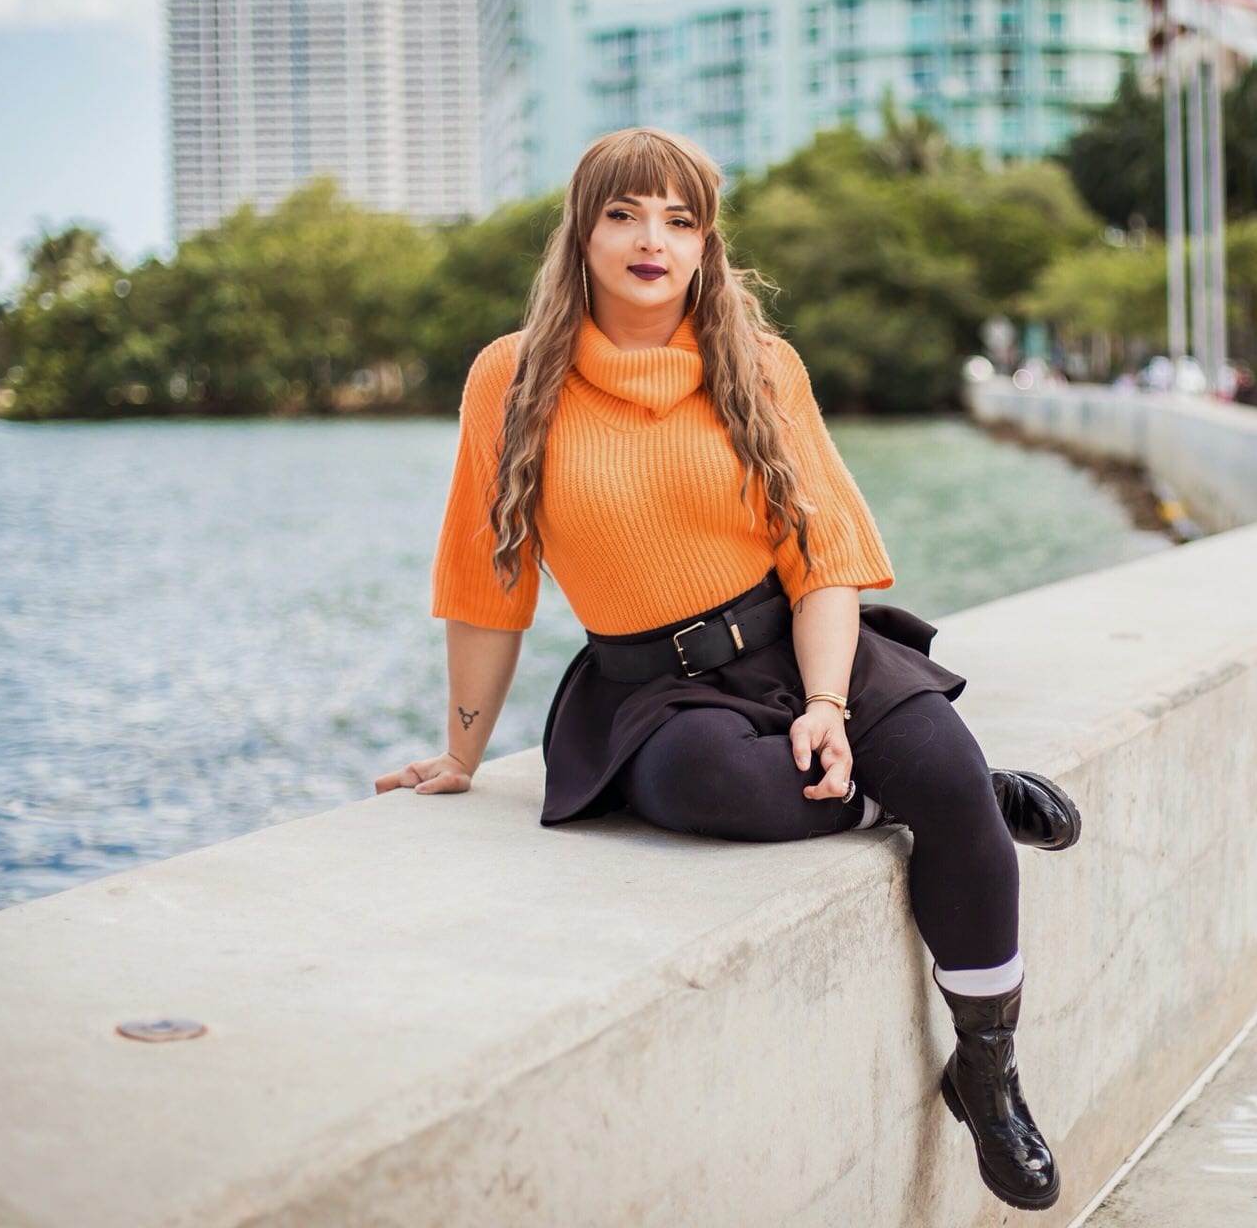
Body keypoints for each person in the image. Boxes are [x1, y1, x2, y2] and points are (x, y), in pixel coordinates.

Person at [373, 126, 1082, 1213]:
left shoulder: (761, 366)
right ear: (582, 231)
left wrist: (833, 703)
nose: (650, 238)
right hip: (650, 689)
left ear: (706, 243)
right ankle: (942, 800)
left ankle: (986, 1072)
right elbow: (486, 579)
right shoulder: (508, 377)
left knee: (940, 767)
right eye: (623, 213)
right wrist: (463, 752)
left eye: (679, 217)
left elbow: (825, 560)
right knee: (714, 785)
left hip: (804, 645)